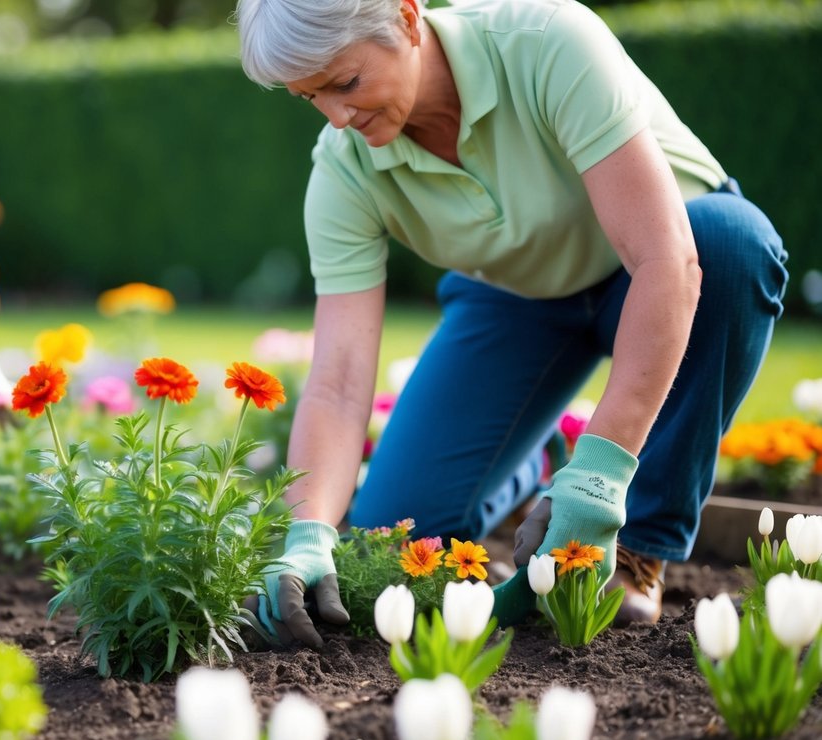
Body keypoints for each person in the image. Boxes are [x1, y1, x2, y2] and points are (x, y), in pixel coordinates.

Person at [235, 0, 788, 648]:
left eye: (346, 83)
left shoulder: (548, 42)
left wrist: (599, 477)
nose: (337, 117)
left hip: (663, 266)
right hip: (519, 302)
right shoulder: (343, 168)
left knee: (734, 246)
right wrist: (308, 534)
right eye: (310, 98)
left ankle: (639, 545)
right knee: (390, 544)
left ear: (407, 19)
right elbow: (336, 378)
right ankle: (537, 462)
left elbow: (669, 262)